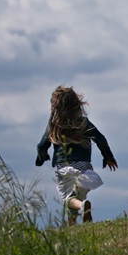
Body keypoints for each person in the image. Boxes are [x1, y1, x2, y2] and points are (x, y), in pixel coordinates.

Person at [36, 86, 117, 225]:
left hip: (63, 167)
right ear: (76, 104)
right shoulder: (83, 122)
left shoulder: (54, 125)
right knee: (76, 197)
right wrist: (108, 156)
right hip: (83, 166)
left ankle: (82, 206)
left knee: (68, 199)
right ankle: (72, 230)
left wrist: (41, 158)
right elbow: (100, 139)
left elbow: (41, 146)